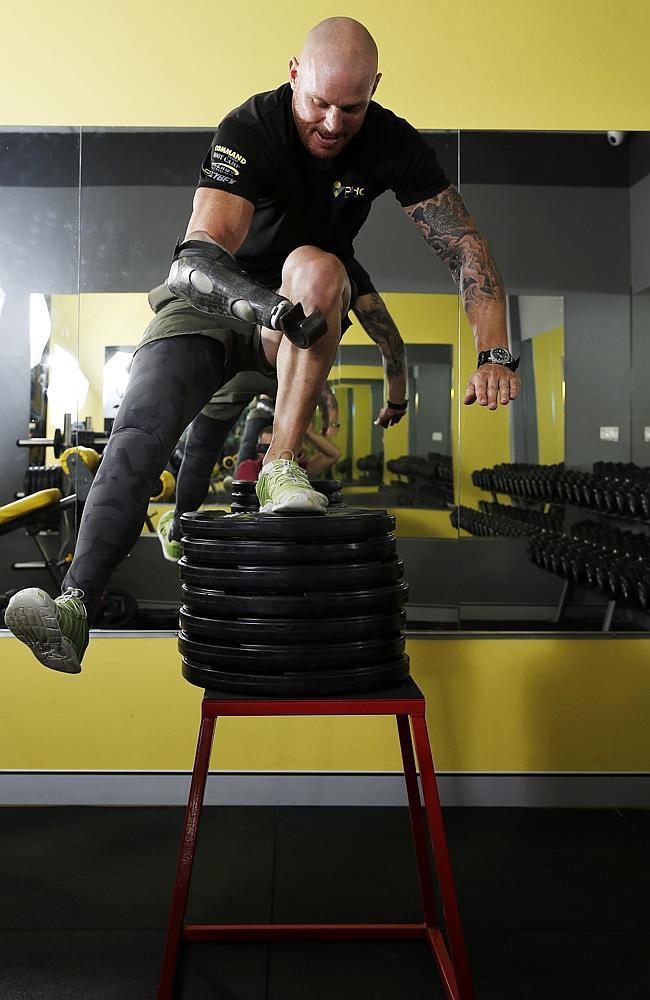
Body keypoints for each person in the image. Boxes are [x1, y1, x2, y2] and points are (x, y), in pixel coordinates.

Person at [4, 16, 519, 673]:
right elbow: (196, 261)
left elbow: (461, 245)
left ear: (376, 89)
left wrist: (493, 351)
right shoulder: (250, 128)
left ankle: (280, 464)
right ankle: (75, 607)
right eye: (319, 104)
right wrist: (267, 307)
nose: (333, 124)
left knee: (322, 267)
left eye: (352, 108)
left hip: (293, 319)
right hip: (212, 304)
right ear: (294, 73)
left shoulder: (393, 144)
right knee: (143, 429)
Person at [156, 258, 408, 559]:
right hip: (290, 365)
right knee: (257, 443)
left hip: (246, 360)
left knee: (200, 450)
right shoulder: (337, 259)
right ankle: (274, 480)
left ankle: (179, 532)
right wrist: (395, 400)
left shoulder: (259, 239)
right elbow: (388, 340)